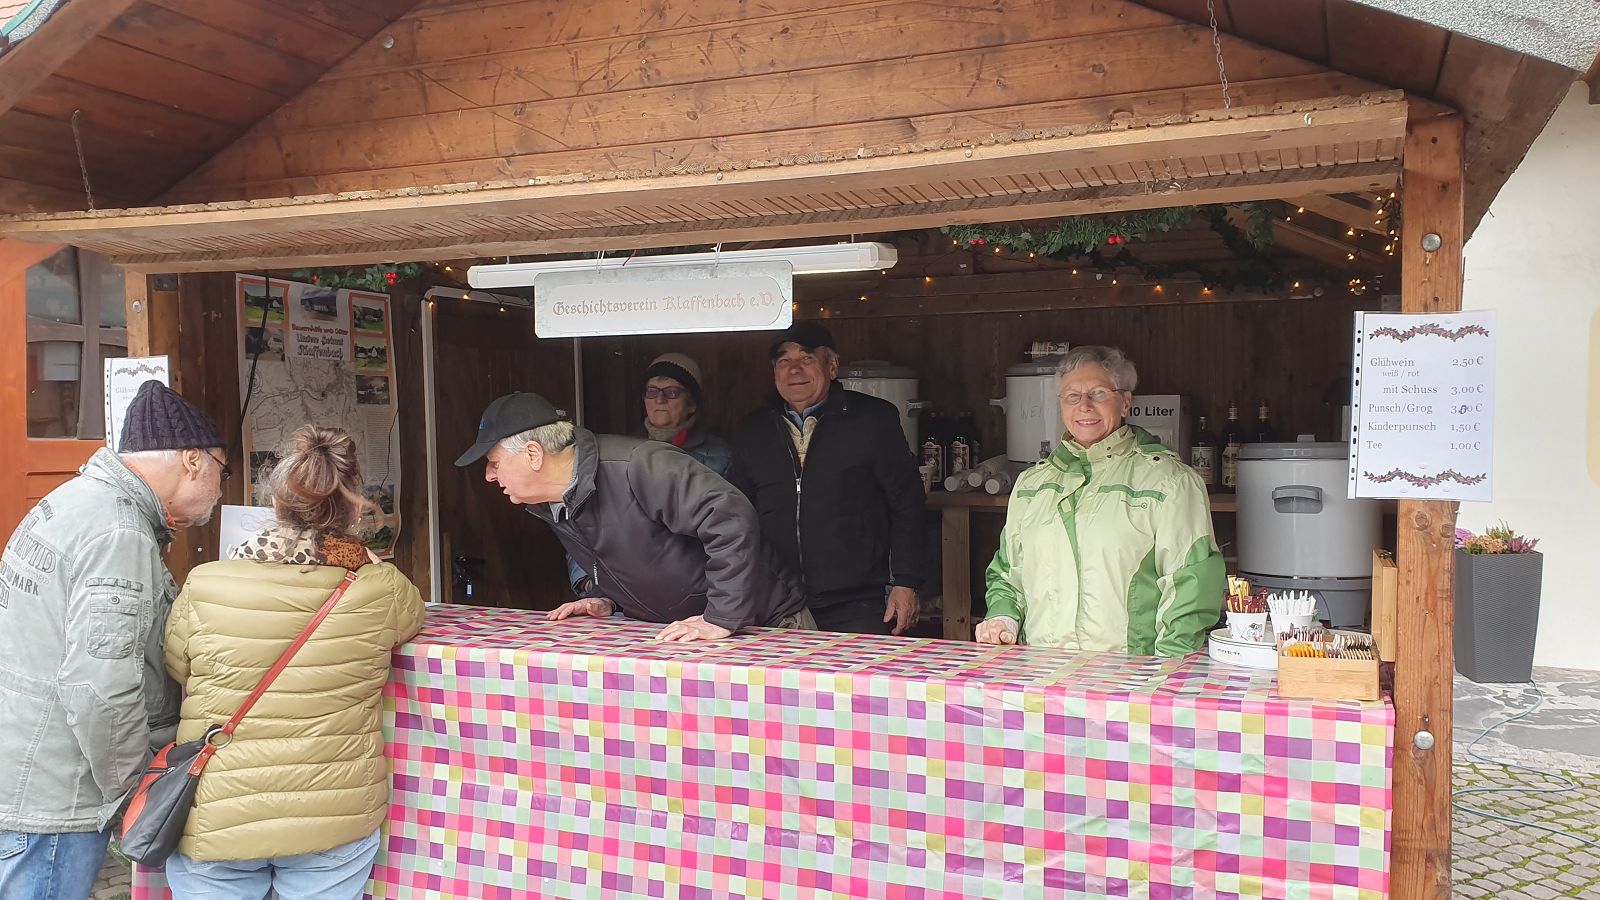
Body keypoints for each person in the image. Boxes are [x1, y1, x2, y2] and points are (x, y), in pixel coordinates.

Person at [161, 426, 424, 900]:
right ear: (353, 511)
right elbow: (412, 617)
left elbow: (179, 667)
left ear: (274, 505)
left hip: (219, 813)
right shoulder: (381, 588)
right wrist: (363, 559)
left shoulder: (205, 583)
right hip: (332, 813)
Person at [0, 381, 225, 899]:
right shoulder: (117, 532)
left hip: (28, 766)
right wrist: (135, 786)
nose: (219, 487)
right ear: (192, 460)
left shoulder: (75, 500)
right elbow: (98, 688)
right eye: (221, 470)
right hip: (57, 795)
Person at [457, 391, 809, 641]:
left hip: (766, 626)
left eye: (494, 463)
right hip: (690, 636)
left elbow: (730, 518)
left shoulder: (638, 465)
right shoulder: (554, 500)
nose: (489, 476)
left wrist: (721, 617)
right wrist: (607, 598)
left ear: (533, 454)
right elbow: (628, 553)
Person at [976, 346, 1224, 655]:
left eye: (1098, 393)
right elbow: (1007, 573)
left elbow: (1191, 589)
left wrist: (1166, 672)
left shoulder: (1170, 482)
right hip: (1042, 672)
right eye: (1072, 396)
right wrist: (1003, 618)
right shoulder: (1032, 485)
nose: (1084, 406)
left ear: (1125, 402)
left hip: (1129, 676)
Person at [728, 322, 926, 635]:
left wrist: (906, 581)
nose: (794, 370)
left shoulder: (872, 420)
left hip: (858, 601)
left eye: (806, 359)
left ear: (832, 366)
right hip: (776, 601)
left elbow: (908, 504)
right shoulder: (754, 429)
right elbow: (735, 513)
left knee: (864, 670)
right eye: (784, 361)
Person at [565, 352, 735, 595]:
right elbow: (585, 520)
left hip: (693, 590)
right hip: (623, 590)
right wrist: (588, 582)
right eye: (652, 392)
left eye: (672, 392)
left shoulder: (721, 456)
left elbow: (729, 531)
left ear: (692, 404)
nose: (660, 400)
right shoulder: (616, 452)